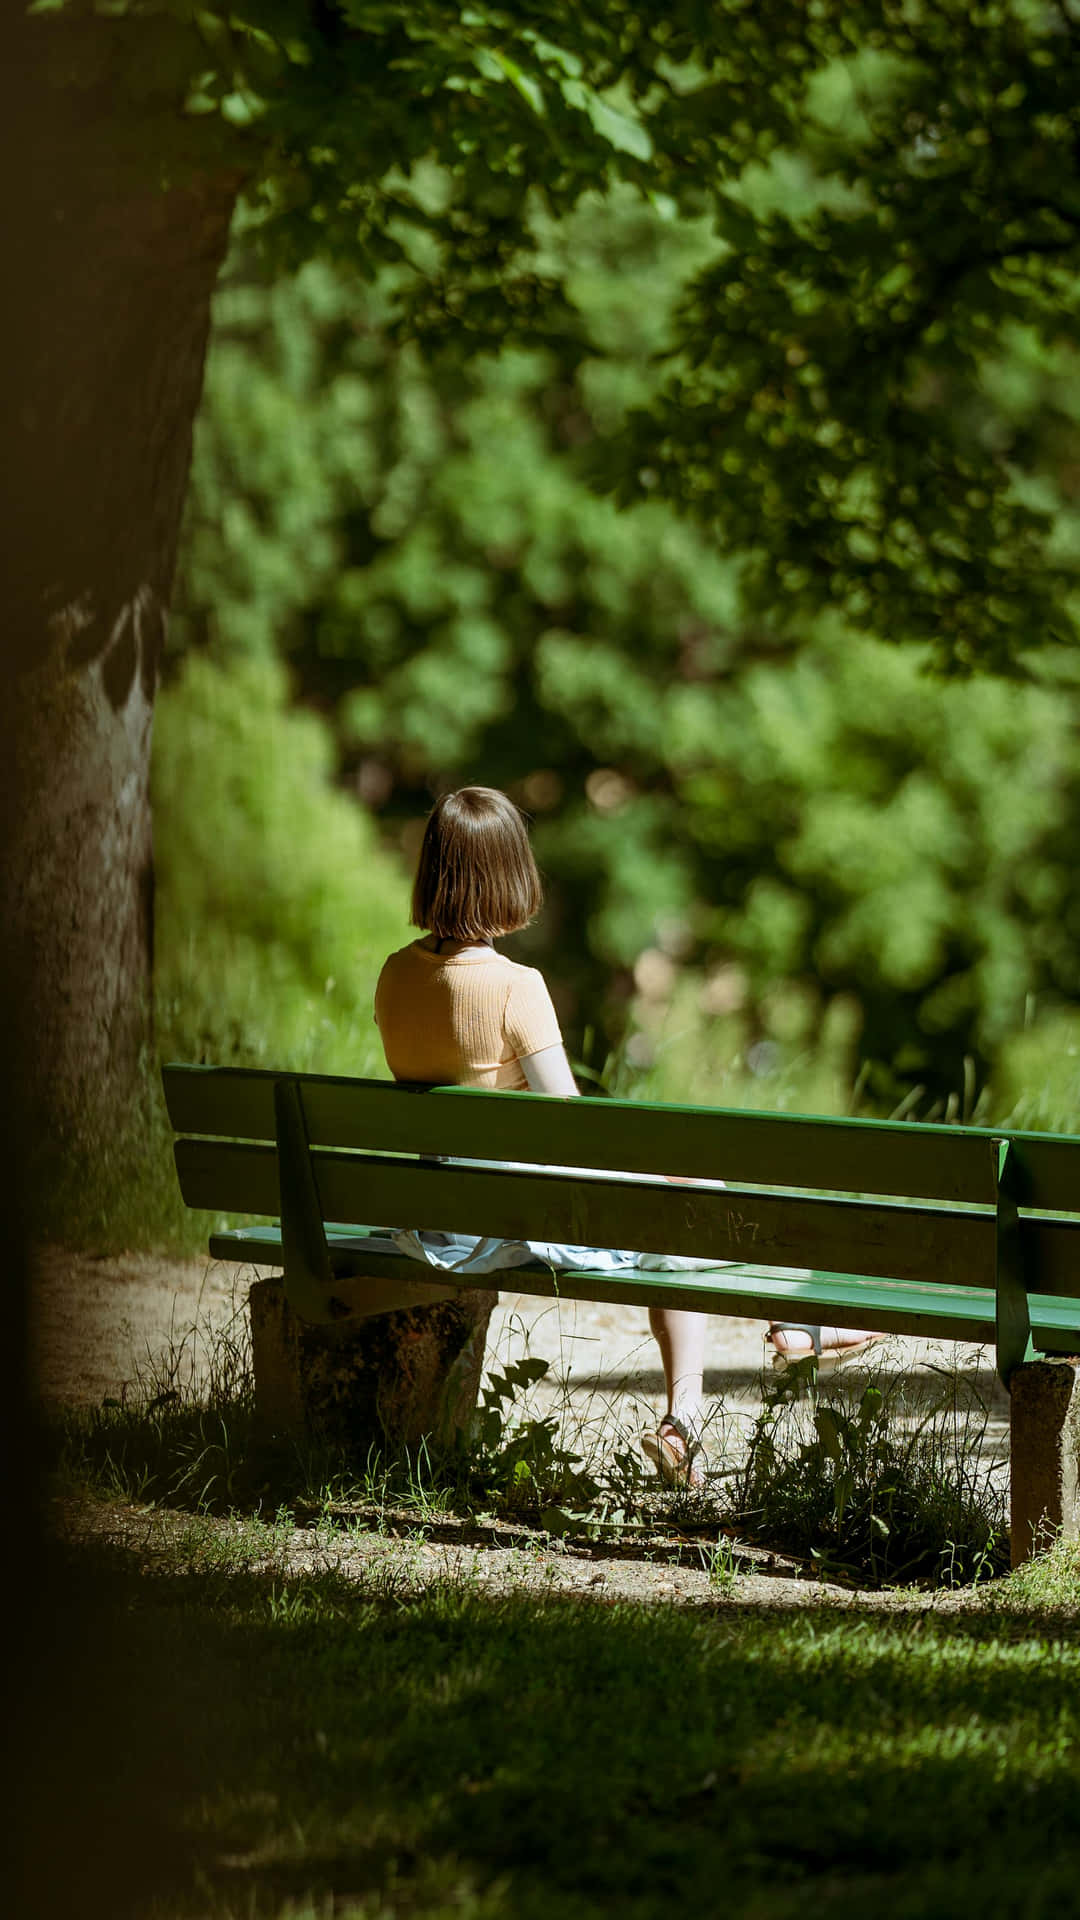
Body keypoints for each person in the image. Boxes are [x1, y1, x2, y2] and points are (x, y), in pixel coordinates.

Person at [374, 785, 879, 1491]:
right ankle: (751, 1364)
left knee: (680, 1194)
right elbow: (577, 1137)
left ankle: (723, 1392)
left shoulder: (395, 974)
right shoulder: (516, 986)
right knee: (691, 1195)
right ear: (509, 873)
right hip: (507, 1220)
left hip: (435, 1221)